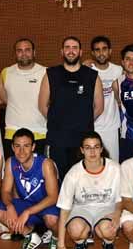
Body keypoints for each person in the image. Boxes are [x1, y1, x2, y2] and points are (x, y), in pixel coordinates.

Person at [38, 36, 104, 180]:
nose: (71, 51)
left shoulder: (92, 76)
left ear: (80, 52)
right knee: (57, 179)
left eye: (74, 48)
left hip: (82, 140)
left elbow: (99, 107)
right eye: (67, 47)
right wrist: (58, 122)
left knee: (82, 179)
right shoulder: (51, 74)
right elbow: (42, 105)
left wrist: (82, 121)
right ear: (62, 52)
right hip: (58, 139)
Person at [56, 132, 122, 249]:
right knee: (75, 229)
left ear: (101, 149)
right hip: (82, 209)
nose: (92, 152)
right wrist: (61, 246)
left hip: (106, 208)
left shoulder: (115, 169)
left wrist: (117, 213)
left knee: (108, 229)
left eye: (96, 147)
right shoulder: (74, 173)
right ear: (82, 150)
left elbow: (122, 198)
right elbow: (64, 210)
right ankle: (80, 244)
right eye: (88, 147)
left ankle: (108, 244)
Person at [0, 128, 60, 249]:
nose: (21, 151)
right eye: (17, 146)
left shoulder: (45, 164)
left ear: (33, 146)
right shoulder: (11, 162)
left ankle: (56, 239)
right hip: (27, 204)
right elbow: (5, 191)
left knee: (52, 220)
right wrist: (10, 206)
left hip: (47, 206)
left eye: (26, 146)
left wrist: (27, 212)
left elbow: (53, 197)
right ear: (12, 147)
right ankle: (31, 236)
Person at [1, 38, 47, 158]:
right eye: (19, 50)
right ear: (15, 54)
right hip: (12, 133)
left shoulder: (46, 72)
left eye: (27, 50)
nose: (24, 53)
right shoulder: (6, 72)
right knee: (13, 174)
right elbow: (2, 99)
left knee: (40, 174)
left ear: (34, 52)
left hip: (39, 133)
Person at [87, 36, 123, 162]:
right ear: (92, 53)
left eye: (104, 49)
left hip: (112, 127)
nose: (101, 53)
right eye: (97, 50)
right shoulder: (87, 71)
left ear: (110, 51)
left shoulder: (118, 70)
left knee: (113, 164)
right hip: (93, 127)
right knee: (94, 162)